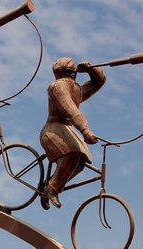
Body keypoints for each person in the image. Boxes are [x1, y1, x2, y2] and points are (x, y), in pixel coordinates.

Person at [38, 56, 106, 210]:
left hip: (66, 129)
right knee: (73, 153)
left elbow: (98, 82)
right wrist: (85, 129)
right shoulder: (57, 86)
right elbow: (70, 109)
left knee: (81, 161)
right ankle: (52, 188)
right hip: (53, 129)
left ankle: (50, 184)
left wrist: (91, 69)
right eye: (72, 71)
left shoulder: (76, 89)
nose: (74, 74)